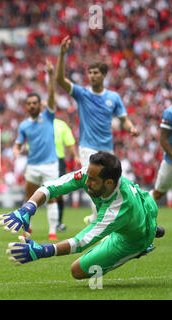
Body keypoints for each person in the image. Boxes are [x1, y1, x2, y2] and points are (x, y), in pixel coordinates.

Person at [0, 151, 163, 279]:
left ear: (109, 183)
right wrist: (28, 208)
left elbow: (81, 242)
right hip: (145, 204)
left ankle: (143, 245)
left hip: (134, 238)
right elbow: (54, 186)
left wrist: (43, 251)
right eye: (88, 176)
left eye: (92, 180)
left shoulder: (118, 208)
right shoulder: (92, 174)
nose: (86, 182)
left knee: (77, 270)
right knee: (116, 221)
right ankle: (146, 227)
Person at [56, 35, 139, 224]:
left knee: (113, 186)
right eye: (90, 73)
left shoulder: (113, 97)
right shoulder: (82, 94)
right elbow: (60, 79)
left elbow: (124, 119)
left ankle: (96, 218)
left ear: (103, 75)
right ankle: (99, 223)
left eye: (96, 73)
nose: (92, 75)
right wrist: (62, 54)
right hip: (87, 147)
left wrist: (131, 128)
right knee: (93, 184)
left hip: (107, 149)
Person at [12, 59, 59, 240]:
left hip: (50, 164)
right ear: (26, 106)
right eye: (29, 103)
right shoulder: (24, 125)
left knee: (51, 198)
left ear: (40, 105)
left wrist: (50, 75)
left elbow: (52, 95)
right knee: (30, 198)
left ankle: (52, 232)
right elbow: (19, 142)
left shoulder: (48, 116)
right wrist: (16, 150)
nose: (32, 105)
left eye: (35, 103)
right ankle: (28, 229)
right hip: (33, 165)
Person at [53, 118, 81, 232]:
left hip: (58, 160)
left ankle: (58, 222)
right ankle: (28, 224)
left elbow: (69, 143)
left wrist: (75, 156)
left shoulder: (61, 125)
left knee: (58, 191)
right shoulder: (38, 123)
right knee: (32, 190)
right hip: (40, 161)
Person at [152, 105, 172, 203]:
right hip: (170, 162)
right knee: (158, 193)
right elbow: (163, 139)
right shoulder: (170, 112)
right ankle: (140, 212)